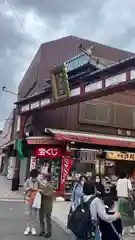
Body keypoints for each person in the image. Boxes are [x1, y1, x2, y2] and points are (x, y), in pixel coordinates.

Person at [24, 169, 41, 236]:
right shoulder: (28, 181)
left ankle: (33, 227)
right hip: (28, 199)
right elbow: (25, 187)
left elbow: (41, 188)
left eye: (35, 177)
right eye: (32, 177)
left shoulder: (38, 181)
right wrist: (28, 189)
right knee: (28, 214)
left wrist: (39, 190)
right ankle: (28, 227)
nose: (33, 179)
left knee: (34, 214)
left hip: (35, 200)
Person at [39, 173, 54, 238]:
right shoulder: (41, 184)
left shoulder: (51, 185)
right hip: (41, 203)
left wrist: (43, 193)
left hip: (48, 203)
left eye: (45, 178)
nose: (44, 179)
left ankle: (49, 232)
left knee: (48, 218)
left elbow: (50, 194)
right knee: (41, 217)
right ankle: (42, 230)